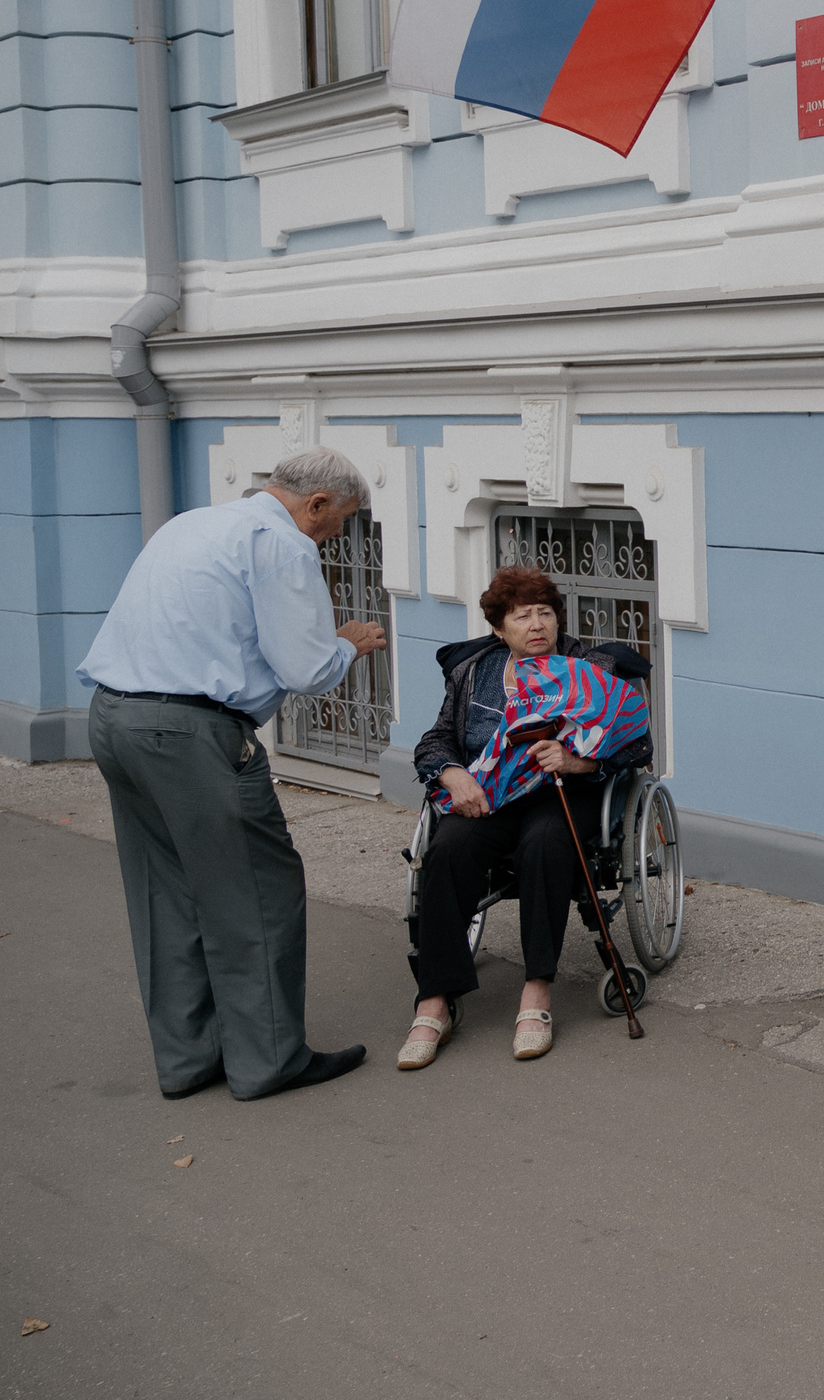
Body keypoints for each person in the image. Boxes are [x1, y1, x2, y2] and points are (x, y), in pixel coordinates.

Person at [78, 447, 389, 1100]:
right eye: (339, 522)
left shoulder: (193, 522)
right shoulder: (281, 545)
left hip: (113, 716)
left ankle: (188, 1060)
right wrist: (348, 644)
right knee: (257, 888)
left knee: (166, 891)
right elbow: (305, 668)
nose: (336, 537)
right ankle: (268, 1061)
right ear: (316, 504)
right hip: (187, 733)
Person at [401, 565, 651, 1068]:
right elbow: (436, 739)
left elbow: (637, 745)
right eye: (522, 616)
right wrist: (452, 773)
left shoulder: (588, 667)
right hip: (490, 793)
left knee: (545, 843)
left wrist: (578, 761)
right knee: (447, 849)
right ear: (499, 629)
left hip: (564, 793)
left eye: (545, 613)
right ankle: (435, 1000)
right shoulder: (475, 672)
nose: (537, 624)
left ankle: (536, 989)